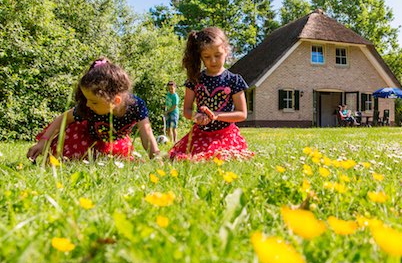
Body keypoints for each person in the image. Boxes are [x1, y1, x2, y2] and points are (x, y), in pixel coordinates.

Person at [27, 57, 160, 162]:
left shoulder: (136, 106)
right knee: (69, 157)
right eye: (87, 100)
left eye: (94, 102)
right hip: (85, 136)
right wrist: (43, 142)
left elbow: (147, 134)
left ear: (116, 100)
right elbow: (64, 118)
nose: (88, 105)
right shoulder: (88, 107)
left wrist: (156, 158)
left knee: (115, 160)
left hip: (113, 142)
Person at [169, 27, 252, 161]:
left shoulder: (234, 80)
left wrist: (215, 116)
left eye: (217, 55)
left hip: (225, 135)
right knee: (189, 158)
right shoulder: (194, 80)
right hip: (200, 134)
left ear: (226, 51)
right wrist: (197, 116)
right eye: (207, 57)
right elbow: (187, 110)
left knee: (223, 157)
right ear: (200, 57)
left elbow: (242, 114)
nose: (213, 61)